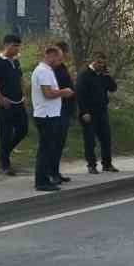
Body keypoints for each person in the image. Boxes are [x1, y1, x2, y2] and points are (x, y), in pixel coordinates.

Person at [31, 44, 74, 192]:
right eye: (58, 58)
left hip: (52, 114)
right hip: (46, 115)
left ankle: (46, 178)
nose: (59, 61)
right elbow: (47, 93)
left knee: (49, 148)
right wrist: (64, 92)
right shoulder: (43, 71)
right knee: (45, 149)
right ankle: (41, 181)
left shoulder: (48, 71)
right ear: (50, 55)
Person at [0, 34, 29, 175]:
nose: (17, 49)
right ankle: (5, 164)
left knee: (23, 129)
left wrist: (24, 96)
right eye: (14, 46)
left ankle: (2, 153)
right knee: (6, 132)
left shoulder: (16, 62)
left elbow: (20, 79)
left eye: (18, 46)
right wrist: (0, 98)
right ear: (6, 45)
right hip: (3, 102)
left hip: (18, 101)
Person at [76, 51, 120, 175]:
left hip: (102, 111)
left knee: (106, 138)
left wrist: (107, 75)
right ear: (93, 61)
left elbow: (113, 88)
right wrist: (84, 112)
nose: (101, 65)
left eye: (103, 63)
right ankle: (91, 165)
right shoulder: (84, 75)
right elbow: (80, 95)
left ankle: (107, 164)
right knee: (90, 141)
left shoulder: (102, 75)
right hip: (88, 112)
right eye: (99, 62)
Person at [52, 41, 77, 185]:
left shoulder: (62, 67)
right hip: (57, 110)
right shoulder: (50, 70)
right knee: (54, 144)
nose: (65, 56)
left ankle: (56, 171)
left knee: (60, 144)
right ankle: (51, 172)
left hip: (65, 109)